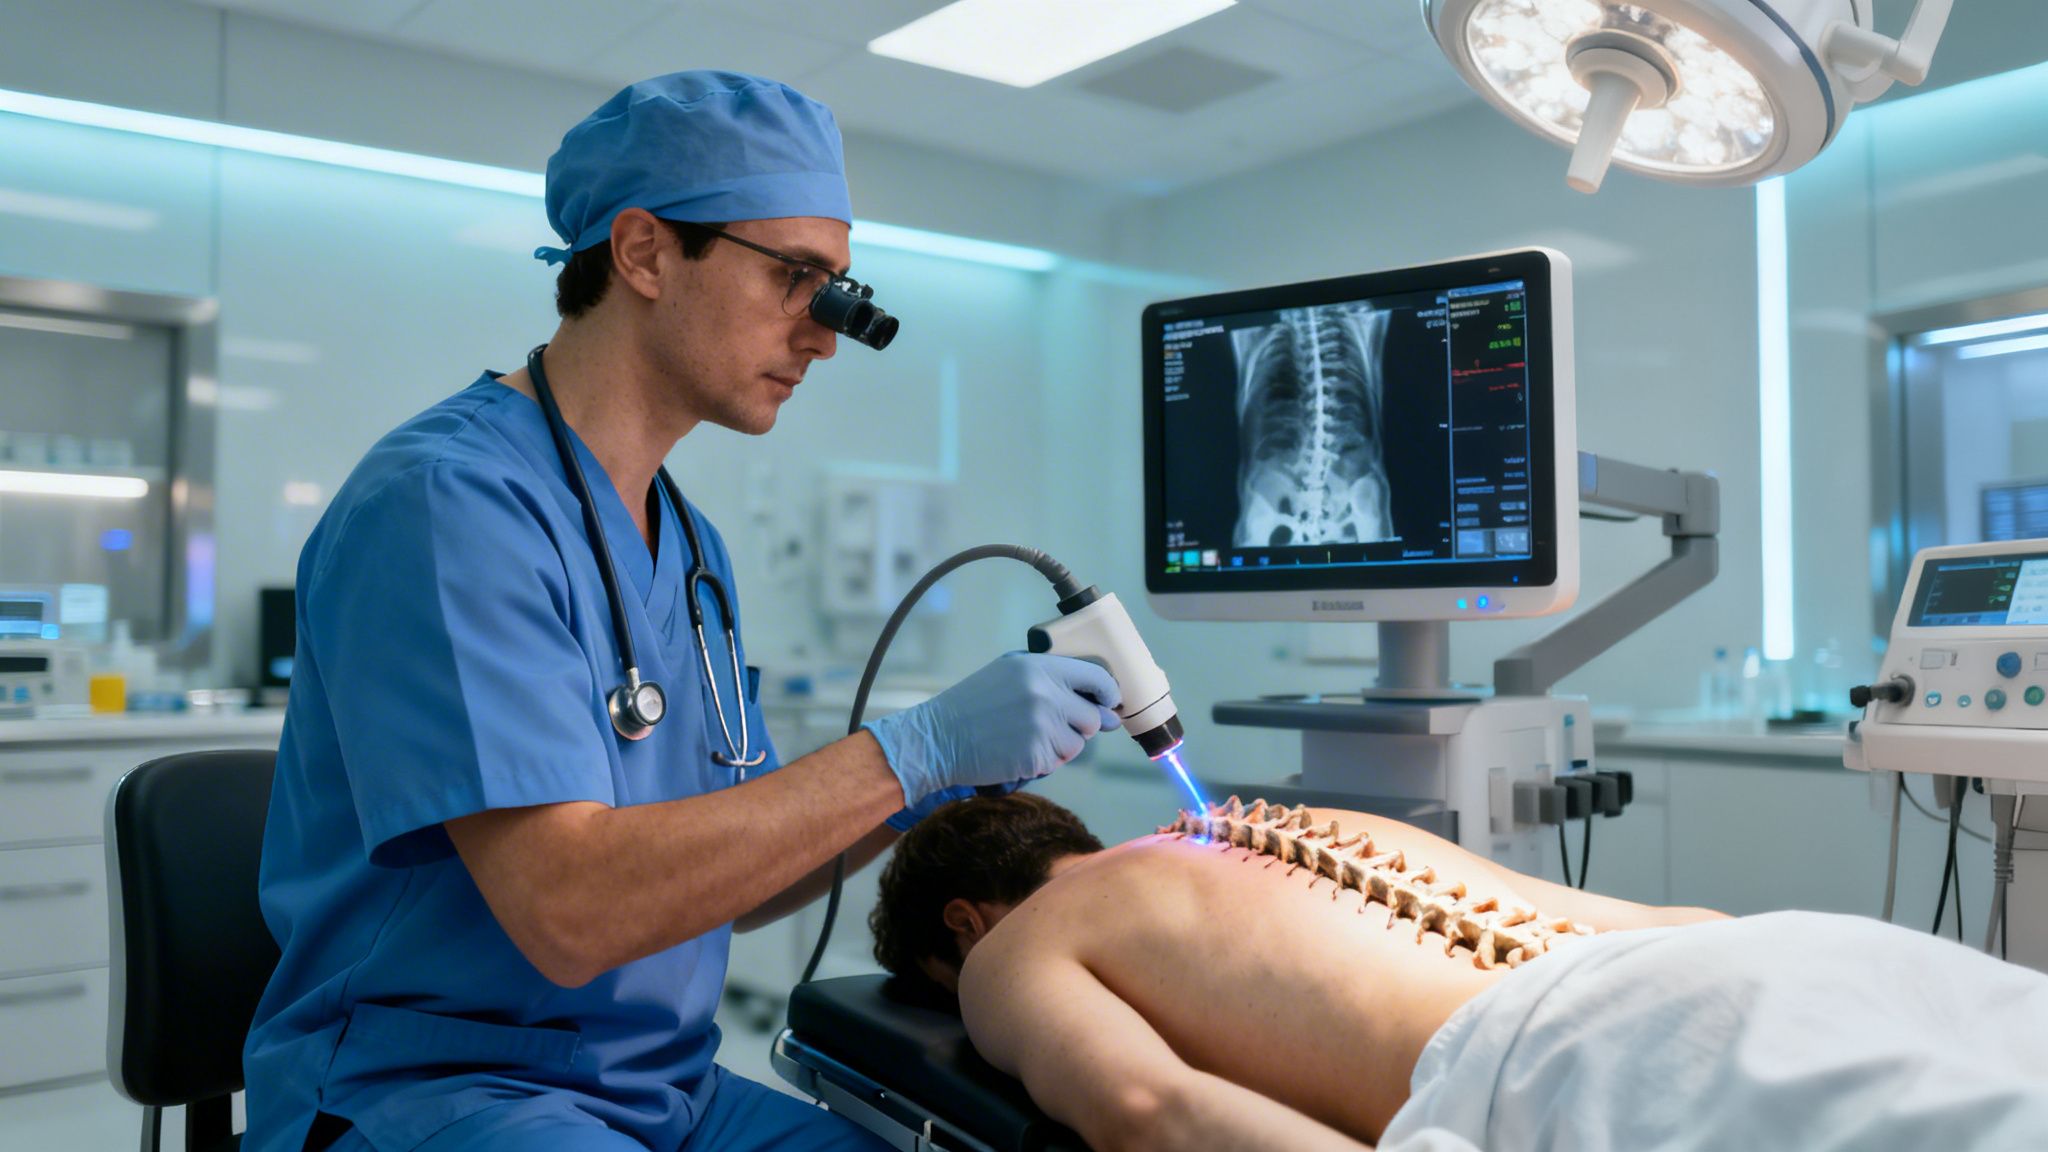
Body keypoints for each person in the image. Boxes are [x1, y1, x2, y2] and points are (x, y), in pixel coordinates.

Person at [243, 71, 1124, 1152]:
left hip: (664, 1093)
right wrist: (904, 753)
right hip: (437, 1091)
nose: (826, 335)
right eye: (799, 278)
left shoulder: (690, 548)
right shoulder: (446, 506)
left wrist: (918, 784)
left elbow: (732, 887)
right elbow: (571, 912)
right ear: (645, 252)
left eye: (839, 288)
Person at [869, 794, 2048, 1152]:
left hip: (1578, 1058)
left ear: (962, 923)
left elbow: (1144, 1110)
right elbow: (1673, 924)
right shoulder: (1230, 825)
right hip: (1775, 952)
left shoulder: (1005, 952)